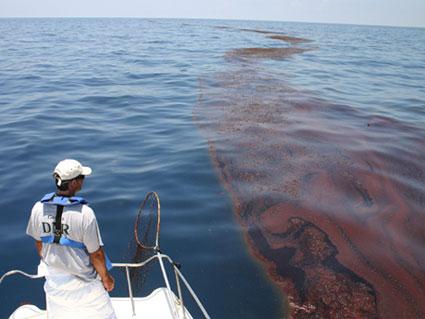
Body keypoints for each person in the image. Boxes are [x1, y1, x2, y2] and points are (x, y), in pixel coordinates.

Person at [26, 159, 117, 319]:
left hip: (54, 283)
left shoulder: (38, 208)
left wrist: (57, 264)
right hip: (85, 286)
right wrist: (106, 279)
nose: (83, 180)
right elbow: (96, 255)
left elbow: (39, 244)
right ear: (74, 183)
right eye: (82, 177)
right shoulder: (85, 213)